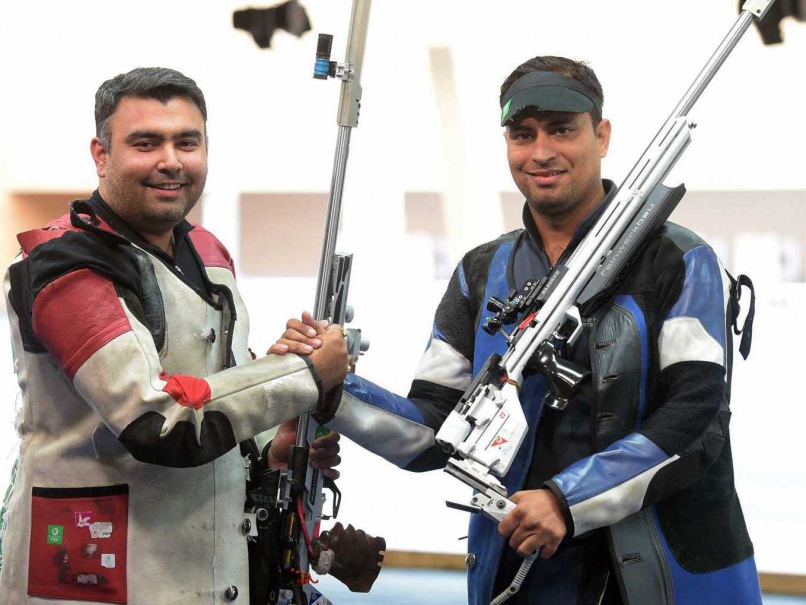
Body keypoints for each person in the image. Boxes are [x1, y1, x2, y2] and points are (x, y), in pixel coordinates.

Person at [278, 56, 762, 604]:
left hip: (666, 576)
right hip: (522, 574)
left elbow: (695, 422)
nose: (541, 152)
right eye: (523, 134)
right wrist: (327, 388)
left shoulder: (680, 258)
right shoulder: (481, 270)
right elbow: (437, 432)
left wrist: (565, 501)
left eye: (562, 130)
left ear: (601, 135)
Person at [0, 67, 349, 604]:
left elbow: (220, 380)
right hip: (96, 574)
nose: (171, 161)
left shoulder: (207, 253)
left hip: (205, 569)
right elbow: (157, 421)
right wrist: (302, 375)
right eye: (145, 143)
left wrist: (268, 444)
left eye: (187, 142)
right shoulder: (64, 266)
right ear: (101, 155)